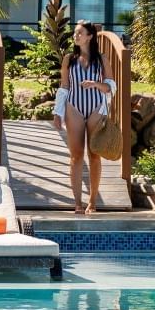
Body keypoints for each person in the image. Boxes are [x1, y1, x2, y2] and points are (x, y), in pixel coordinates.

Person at [53, 20, 114, 214]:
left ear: (90, 36)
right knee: (76, 155)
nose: (76, 36)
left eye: (80, 33)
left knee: (94, 155)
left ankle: (93, 202)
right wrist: (58, 112)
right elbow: (64, 87)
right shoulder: (69, 59)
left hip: (96, 108)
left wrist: (96, 84)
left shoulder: (102, 59)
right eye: (75, 33)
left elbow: (111, 87)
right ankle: (78, 203)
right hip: (74, 108)